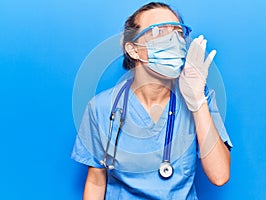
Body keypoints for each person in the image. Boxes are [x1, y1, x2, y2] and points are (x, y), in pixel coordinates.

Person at [71, 2, 232, 199]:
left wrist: (197, 101)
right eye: (159, 31)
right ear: (133, 49)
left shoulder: (200, 96)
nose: (173, 40)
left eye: (178, 32)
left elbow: (220, 176)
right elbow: (96, 181)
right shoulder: (102, 108)